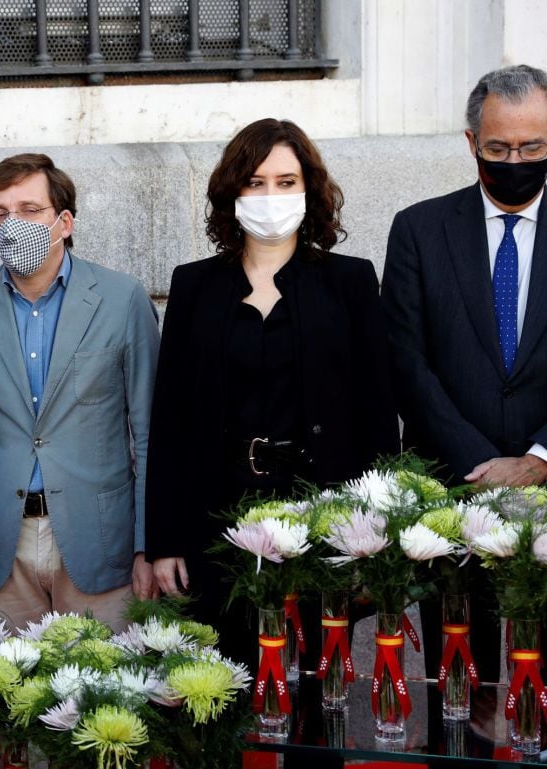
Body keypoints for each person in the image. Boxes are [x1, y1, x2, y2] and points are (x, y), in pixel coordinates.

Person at [145, 119, 399, 665]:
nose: (270, 196)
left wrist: (375, 536)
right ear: (232, 193)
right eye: (254, 182)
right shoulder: (194, 286)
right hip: (220, 515)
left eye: (286, 182)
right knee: (225, 688)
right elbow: (170, 422)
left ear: (309, 191)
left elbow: (378, 414)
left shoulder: (350, 282)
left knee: (317, 690)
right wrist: (164, 541)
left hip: (326, 515)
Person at [0, 153, 160, 632]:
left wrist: (149, 546)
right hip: (0, 546)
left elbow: (148, 437)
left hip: (99, 542)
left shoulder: (122, 299)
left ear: (63, 222)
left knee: (104, 696)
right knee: (5, 697)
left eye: (29, 209)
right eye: (0, 213)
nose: (12, 224)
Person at [381, 64, 547, 683]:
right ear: (472, 142)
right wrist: (484, 470)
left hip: (546, 477)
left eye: (532, 147)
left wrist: (535, 461)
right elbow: (406, 362)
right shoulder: (419, 230)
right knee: (459, 686)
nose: (516, 159)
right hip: (454, 491)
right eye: (500, 147)